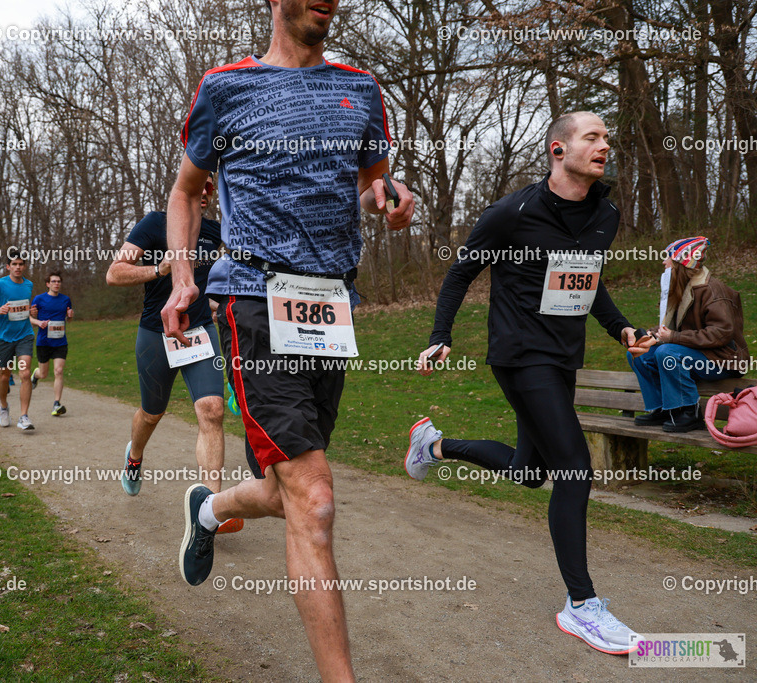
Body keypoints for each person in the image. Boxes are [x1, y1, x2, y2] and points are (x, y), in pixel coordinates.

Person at [163, 2, 413, 677]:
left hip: (332, 306)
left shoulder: (361, 88)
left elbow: (371, 183)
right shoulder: (226, 87)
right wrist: (184, 279)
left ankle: (211, 508)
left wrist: (390, 197)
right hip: (252, 297)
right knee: (315, 495)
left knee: (287, 490)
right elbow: (186, 192)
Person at [408, 112, 642, 655]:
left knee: (530, 472)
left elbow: (588, 279)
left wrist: (621, 328)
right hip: (519, 354)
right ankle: (581, 605)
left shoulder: (605, 213)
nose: (604, 145)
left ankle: (435, 446)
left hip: (563, 356)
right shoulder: (510, 213)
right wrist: (441, 336)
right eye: (592, 137)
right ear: (558, 149)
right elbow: (461, 271)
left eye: (607, 137)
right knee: (574, 467)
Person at [106, 177, 238, 509]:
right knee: (152, 413)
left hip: (199, 331)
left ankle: (209, 509)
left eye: (211, 186)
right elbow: (114, 273)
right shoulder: (154, 223)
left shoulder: (215, 232)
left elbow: (210, 281)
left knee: (212, 410)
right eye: (200, 183)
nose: (205, 191)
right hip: (156, 332)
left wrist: (218, 304)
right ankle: (134, 456)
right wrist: (158, 269)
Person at [627, 237, 749, 432]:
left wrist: (672, 338)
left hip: (723, 360)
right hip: (696, 354)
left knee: (667, 353)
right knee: (639, 353)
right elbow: (675, 329)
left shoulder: (711, 290)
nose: (663, 262)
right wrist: (651, 335)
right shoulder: (681, 288)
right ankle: (663, 409)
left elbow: (721, 333)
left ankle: (690, 413)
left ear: (681, 264)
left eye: (668, 257)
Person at [0, 254, 42, 430]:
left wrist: (31, 313)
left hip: (24, 335)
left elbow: (24, 308)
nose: (18, 267)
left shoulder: (28, 285)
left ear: (24, 266)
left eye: (21, 264)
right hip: (3, 338)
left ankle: (24, 416)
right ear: (8, 267)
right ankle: (4, 407)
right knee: (4, 376)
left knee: (25, 373)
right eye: (14, 264)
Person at [30, 271, 73, 417]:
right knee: (43, 374)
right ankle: (35, 375)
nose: (56, 284)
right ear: (48, 284)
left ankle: (56, 403)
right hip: (44, 341)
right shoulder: (39, 299)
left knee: (58, 371)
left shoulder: (66, 299)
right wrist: (38, 322)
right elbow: (29, 317)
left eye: (58, 281)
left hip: (60, 341)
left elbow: (68, 319)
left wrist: (70, 316)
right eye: (53, 281)